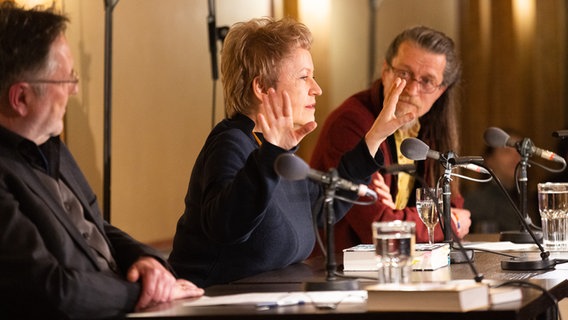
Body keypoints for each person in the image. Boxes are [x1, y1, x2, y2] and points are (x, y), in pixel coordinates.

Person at [168, 17, 416, 288]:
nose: (316, 89)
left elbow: (321, 206)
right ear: (262, 87)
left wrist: (375, 136)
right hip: (217, 304)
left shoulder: (274, 148)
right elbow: (227, 226)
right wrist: (272, 154)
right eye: (303, 77)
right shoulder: (231, 144)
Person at [0, 3, 203, 319]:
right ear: (21, 98)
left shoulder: (54, 147)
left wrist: (147, 261)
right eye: (66, 80)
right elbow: (48, 290)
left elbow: (99, 229)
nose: (75, 90)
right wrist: (141, 294)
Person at [310, 26, 472, 254]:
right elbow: (378, 227)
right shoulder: (350, 123)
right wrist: (447, 222)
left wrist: (399, 214)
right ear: (385, 71)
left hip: (402, 264)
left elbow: (452, 203)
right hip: (341, 271)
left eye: (427, 81)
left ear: (441, 90)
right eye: (404, 74)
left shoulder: (430, 126)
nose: (412, 90)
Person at [464, 131, 523, 233]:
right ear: (489, 160)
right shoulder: (476, 201)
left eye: (520, 152)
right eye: (507, 152)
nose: (516, 158)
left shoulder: (532, 200)